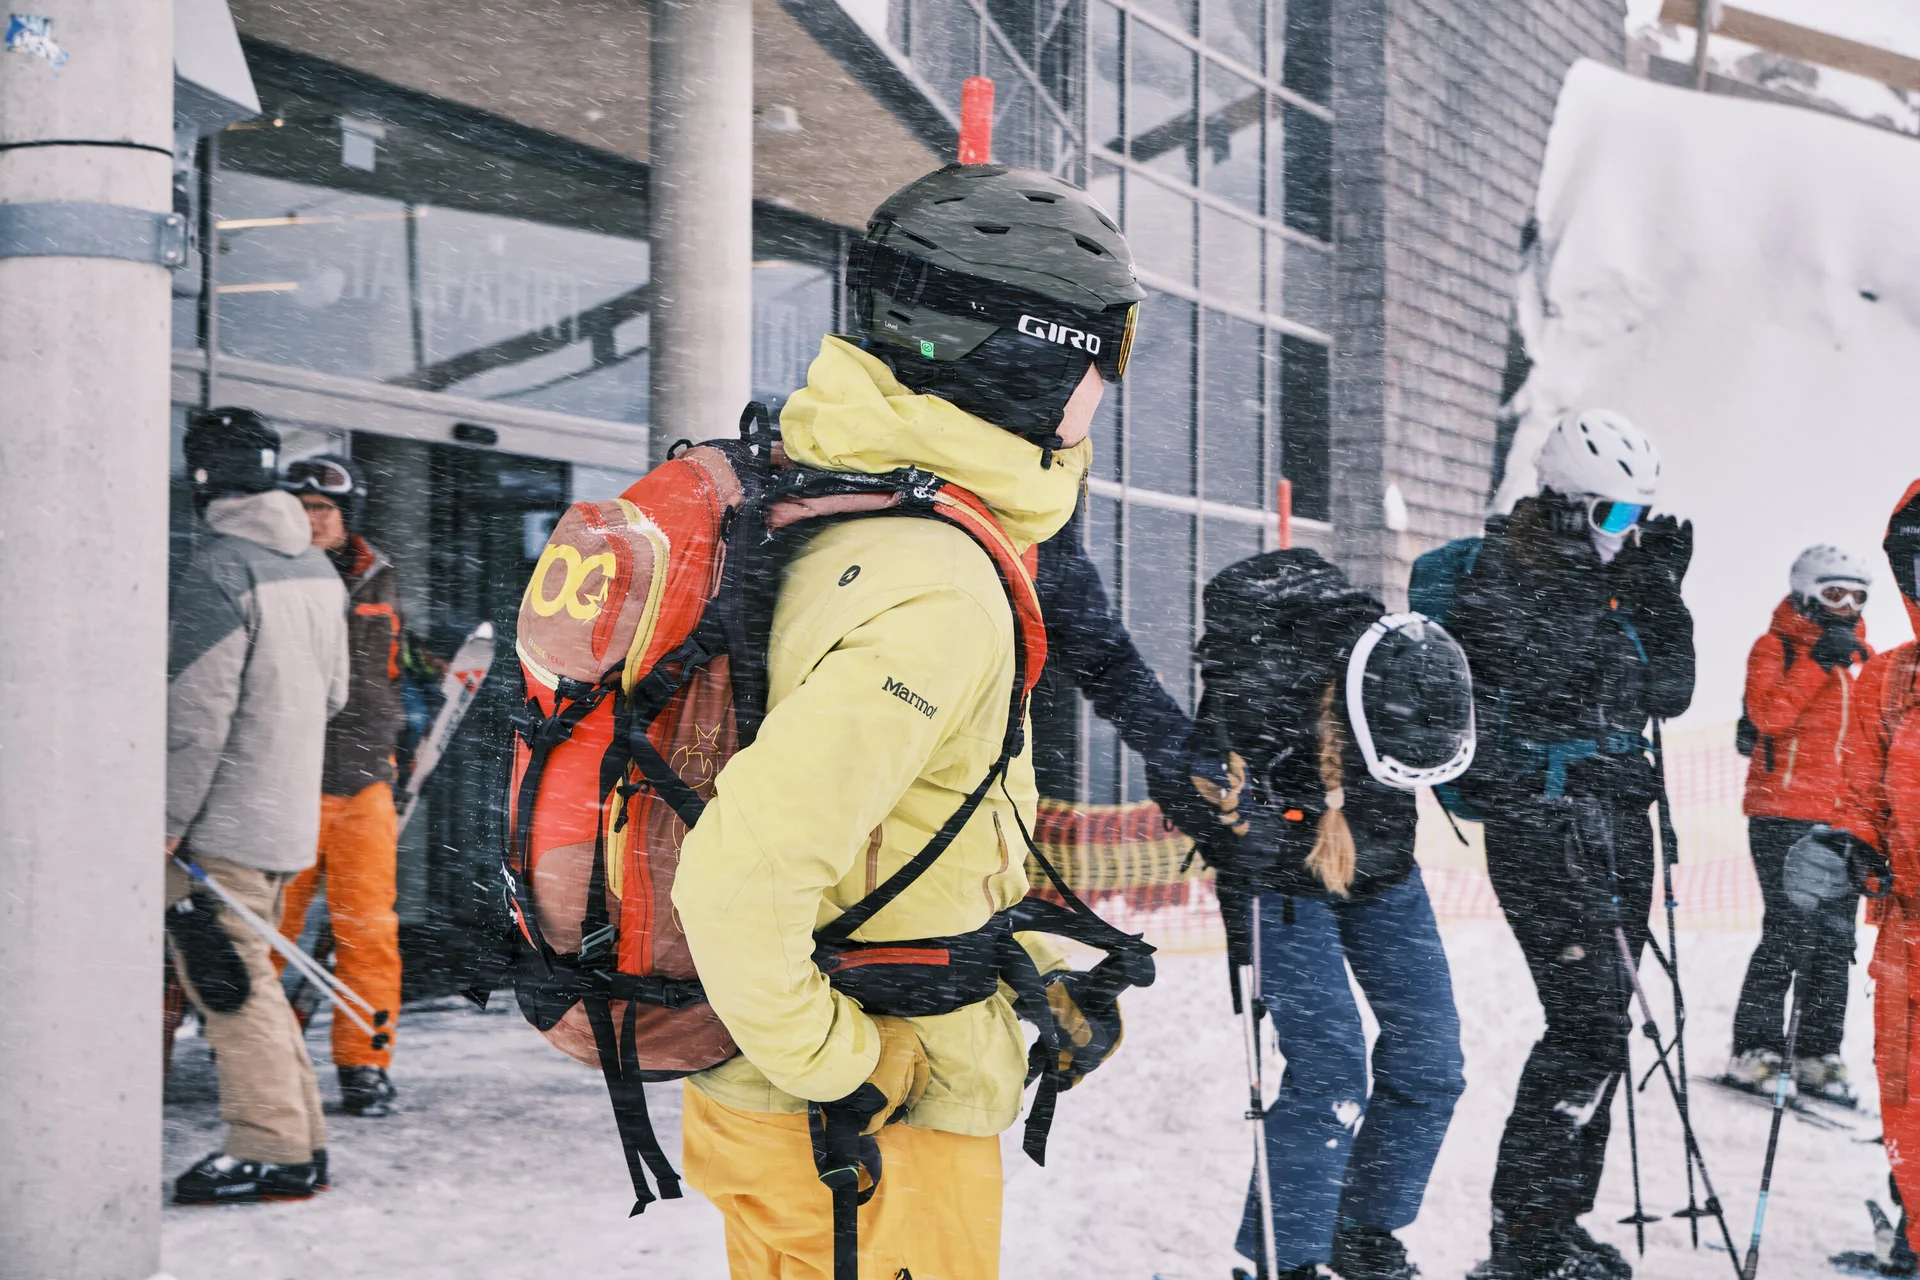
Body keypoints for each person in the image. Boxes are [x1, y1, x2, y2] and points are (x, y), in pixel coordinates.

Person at [670, 163, 1143, 1279]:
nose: (1107, 387)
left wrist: (1018, 961)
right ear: (1027, 353)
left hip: (801, 1114)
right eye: (1106, 351)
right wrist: (844, 1064)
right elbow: (739, 876)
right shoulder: (937, 585)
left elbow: (903, 822)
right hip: (865, 1132)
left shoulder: (847, 507)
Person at [1448, 409, 1695, 1280]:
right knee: (1585, 1025)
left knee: (1607, 1025)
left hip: (1619, 821)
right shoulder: (1503, 571)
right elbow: (1540, 672)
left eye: (1638, 518)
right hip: (1543, 826)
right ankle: (1522, 1236)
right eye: (1614, 515)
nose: (1627, 535)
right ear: (1562, 501)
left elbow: (1671, 693)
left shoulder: (1619, 577)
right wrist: (1602, 588)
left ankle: (1556, 1220)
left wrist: (1664, 597)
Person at [1191, 550, 1469, 1280]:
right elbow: (1194, 777)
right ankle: (1289, 1257)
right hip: (1283, 884)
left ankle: (1361, 1227)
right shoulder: (1268, 698)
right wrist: (1241, 829)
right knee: (1329, 1074)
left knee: (1433, 1061)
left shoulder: (1408, 678)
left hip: (1385, 873)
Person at [165, 408, 349, 1203]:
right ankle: (299, 1143)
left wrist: (164, 822)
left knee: (229, 987)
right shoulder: (316, 569)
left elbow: (194, 718)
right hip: (284, 814)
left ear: (203, 477)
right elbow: (335, 694)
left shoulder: (218, 567)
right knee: (252, 981)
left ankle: (271, 1149)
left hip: (220, 823)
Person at [275, 454, 408, 1118]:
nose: (313, 519)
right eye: (302, 508)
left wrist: (399, 742)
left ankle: (365, 1065)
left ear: (346, 514)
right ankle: (257, 1056)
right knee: (271, 930)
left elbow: (387, 672)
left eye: (324, 508)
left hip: (363, 784)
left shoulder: (378, 576)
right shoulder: (271, 572)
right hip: (284, 783)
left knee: (369, 932)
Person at [1726, 544, 1874, 1104]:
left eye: (1857, 597)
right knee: (1789, 929)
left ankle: (1817, 1053)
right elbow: (1769, 715)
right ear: (1807, 593)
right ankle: (1755, 1048)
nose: (1847, 607)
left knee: (1835, 940)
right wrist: (1817, 663)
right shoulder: (1776, 647)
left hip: (1843, 817)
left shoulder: (1861, 658)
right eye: (1835, 594)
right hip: (1782, 812)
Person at [1836, 481, 1920, 1277]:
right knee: (1908, 1101)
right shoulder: (1893, 681)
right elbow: (1862, 798)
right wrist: (1851, 849)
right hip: (1908, 935)